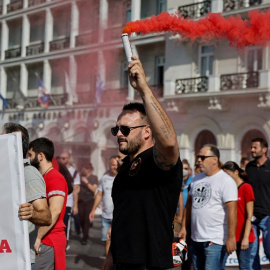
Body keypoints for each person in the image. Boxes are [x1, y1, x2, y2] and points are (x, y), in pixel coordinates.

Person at [103, 56, 182, 270]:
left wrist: (144, 89)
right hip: (122, 262)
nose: (119, 134)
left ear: (147, 132)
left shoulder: (158, 162)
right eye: (116, 129)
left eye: (126, 129)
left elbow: (169, 143)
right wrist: (110, 259)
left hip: (151, 264)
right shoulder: (123, 170)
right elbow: (121, 218)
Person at [178, 144, 238, 270]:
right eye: (198, 156)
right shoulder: (196, 179)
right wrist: (184, 227)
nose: (198, 160)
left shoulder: (226, 181)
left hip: (215, 240)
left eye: (202, 157)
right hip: (196, 238)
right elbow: (189, 205)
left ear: (215, 159)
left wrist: (231, 238)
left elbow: (232, 210)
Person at [2, 123, 52, 269]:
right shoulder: (4, 172)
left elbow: (46, 216)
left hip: (18, 258)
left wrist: (32, 213)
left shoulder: (28, 172)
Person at [28, 137, 68, 270]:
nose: (28, 158)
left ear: (40, 156)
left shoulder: (55, 178)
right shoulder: (44, 177)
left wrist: (39, 237)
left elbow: (55, 212)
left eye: (30, 154)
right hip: (47, 238)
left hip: (49, 240)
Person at [222, 161, 255, 270]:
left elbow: (249, 216)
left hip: (243, 236)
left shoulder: (246, 188)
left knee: (244, 267)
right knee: (219, 265)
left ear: (236, 172)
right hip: (229, 236)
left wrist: (245, 238)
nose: (225, 178)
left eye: (228, 174)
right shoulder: (226, 188)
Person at [245, 138, 270, 270]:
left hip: (268, 216)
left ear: (264, 149)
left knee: (269, 250)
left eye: (255, 147)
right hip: (251, 217)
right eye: (251, 147)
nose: (252, 150)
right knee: (251, 253)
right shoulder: (249, 167)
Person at [89, 156, 118, 255]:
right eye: (113, 164)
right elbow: (99, 194)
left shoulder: (123, 177)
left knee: (118, 242)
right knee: (107, 241)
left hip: (118, 217)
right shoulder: (104, 178)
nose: (115, 167)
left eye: (117, 164)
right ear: (109, 166)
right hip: (106, 216)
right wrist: (93, 210)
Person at [176, 160, 193, 270]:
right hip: (178, 216)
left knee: (189, 244)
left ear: (190, 171)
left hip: (190, 216)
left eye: (186, 169)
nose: (184, 171)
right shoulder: (176, 181)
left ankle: (189, 263)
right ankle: (183, 265)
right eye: (182, 168)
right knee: (180, 243)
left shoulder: (193, 182)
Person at [59, 151, 81, 237]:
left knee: (65, 226)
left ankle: (65, 245)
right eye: (60, 158)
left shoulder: (74, 172)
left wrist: (75, 206)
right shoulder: (57, 169)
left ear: (69, 159)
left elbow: (76, 190)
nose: (61, 160)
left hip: (68, 203)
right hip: (57, 202)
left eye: (63, 158)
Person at [78, 162, 98, 245]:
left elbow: (94, 190)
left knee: (86, 219)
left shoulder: (94, 178)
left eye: (84, 169)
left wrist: (86, 182)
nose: (82, 171)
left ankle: (85, 237)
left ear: (89, 169)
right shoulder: (79, 177)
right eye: (82, 169)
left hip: (89, 200)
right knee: (81, 219)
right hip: (80, 201)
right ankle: (84, 232)